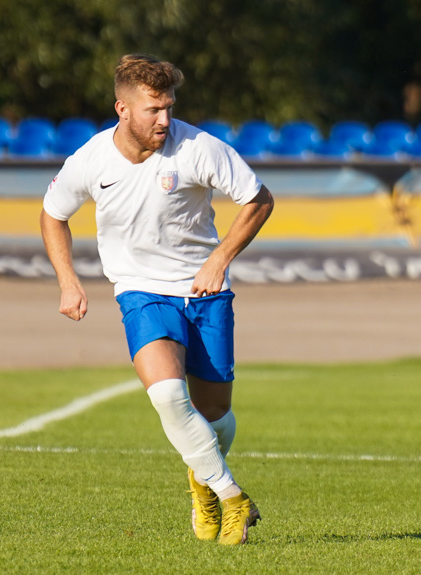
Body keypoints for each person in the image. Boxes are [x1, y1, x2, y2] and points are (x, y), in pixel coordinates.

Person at [40, 53, 274, 545]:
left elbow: (259, 199)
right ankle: (232, 496)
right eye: (153, 109)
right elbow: (52, 213)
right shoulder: (91, 158)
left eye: (169, 107)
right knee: (168, 395)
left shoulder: (199, 148)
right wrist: (68, 280)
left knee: (216, 421)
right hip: (140, 290)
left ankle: (202, 482)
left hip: (204, 291)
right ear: (122, 109)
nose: (165, 119)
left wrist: (218, 260)